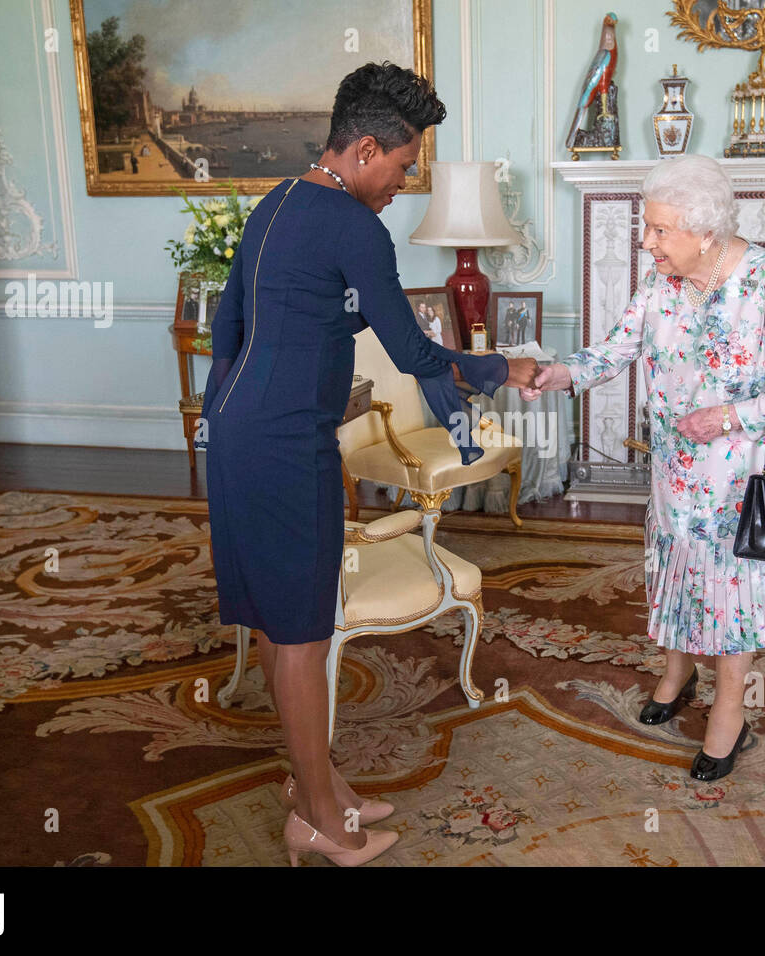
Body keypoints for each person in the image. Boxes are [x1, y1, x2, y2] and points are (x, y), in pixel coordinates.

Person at [199, 62, 537, 867]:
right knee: (301, 634)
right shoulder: (354, 227)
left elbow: (230, 330)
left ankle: (323, 786)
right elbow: (414, 349)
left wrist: (230, 419)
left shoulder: (274, 203)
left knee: (291, 627)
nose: (404, 181)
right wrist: (503, 369)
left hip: (247, 434)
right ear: (361, 148)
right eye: (403, 163)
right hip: (283, 446)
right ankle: (315, 812)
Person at [522, 154, 765, 781]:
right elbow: (617, 349)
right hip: (675, 471)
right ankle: (677, 668)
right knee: (675, 565)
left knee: (732, 588)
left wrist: (728, 417)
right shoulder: (662, 281)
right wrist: (559, 375)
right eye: (648, 227)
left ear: (706, 233)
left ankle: (729, 712)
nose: (648, 242)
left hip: (741, 473)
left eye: (660, 230)